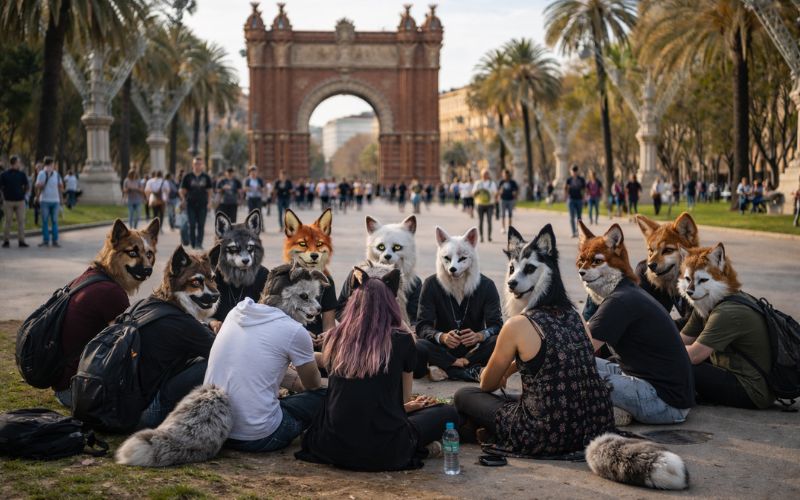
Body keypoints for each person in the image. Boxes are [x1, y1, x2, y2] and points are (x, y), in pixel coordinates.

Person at [298, 271, 459, 470]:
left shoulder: (334, 337)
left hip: (332, 446)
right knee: (447, 412)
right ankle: (422, 448)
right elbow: (404, 401)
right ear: (391, 305)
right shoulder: (401, 340)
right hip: (384, 449)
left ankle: (422, 448)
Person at [454, 278, 614, 457]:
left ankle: (481, 430)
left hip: (545, 433)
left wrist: (503, 371)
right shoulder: (574, 314)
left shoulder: (517, 324)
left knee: (465, 395)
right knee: (511, 399)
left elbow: (487, 385)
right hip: (594, 425)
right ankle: (483, 430)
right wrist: (512, 368)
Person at [204, 293, 325, 452]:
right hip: (258, 437)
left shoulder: (237, 312)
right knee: (325, 396)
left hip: (215, 430)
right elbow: (313, 385)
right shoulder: (294, 330)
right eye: (306, 298)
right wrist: (317, 359)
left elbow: (256, 368)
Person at [179, 157, 213, 249]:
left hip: (203, 204)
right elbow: (182, 190)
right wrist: (183, 199)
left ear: (202, 165)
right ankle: (193, 243)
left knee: (201, 225)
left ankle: (199, 244)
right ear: (193, 165)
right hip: (190, 204)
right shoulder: (188, 176)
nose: (198, 166)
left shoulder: (206, 177)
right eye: (196, 164)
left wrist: (209, 202)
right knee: (192, 224)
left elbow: (209, 191)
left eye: (199, 164)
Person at [1, 155, 30, 248]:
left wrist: (23, 194)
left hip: (20, 201)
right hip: (8, 201)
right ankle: (6, 241)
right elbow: (0, 187)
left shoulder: (22, 174)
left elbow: (27, 185)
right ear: (14, 163)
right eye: (18, 162)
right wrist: (3, 196)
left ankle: (21, 241)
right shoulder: (4, 174)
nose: (20, 164)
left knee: (21, 221)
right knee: (8, 221)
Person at [35, 157, 63, 248]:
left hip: (55, 201)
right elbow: (37, 185)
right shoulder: (42, 173)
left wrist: (60, 186)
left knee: (55, 221)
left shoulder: (56, 174)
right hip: (45, 201)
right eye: (52, 164)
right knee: (45, 221)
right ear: (48, 164)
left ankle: (55, 241)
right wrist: (41, 184)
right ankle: (46, 240)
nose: (53, 165)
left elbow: (61, 187)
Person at [472, 169, 498, 243]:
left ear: (488, 175)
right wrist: (476, 192)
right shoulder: (478, 183)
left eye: (486, 173)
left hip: (489, 204)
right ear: (481, 175)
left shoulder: (492, 183)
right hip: (480, 204)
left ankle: (489, 236)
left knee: (489, 221)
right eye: (484, 174)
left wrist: (495, 198)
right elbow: (473, 193)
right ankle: (481, 236)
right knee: (480, 221)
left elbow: (495, 193)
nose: (485, 175)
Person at [565, 165, 585, 238]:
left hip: (579, 199)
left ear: (577, 171)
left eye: (575, 171)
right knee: (571, 216)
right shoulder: (569, 180)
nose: (574, 172)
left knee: (579, 217)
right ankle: (573, 232)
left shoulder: (581, 179)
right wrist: (566, 197)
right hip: (571, 200)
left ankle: (579, 232)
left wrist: (584, 198)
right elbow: (566, 189)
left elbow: (583, 189)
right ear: (571, 171)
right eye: (573, 171)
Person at [498, 169, 518, 234]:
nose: (505, 176)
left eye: (506, 175)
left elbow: (516, 189)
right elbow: (498, 191)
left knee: (510, 214)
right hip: (503, 199)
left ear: (508, 175)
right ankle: (503, 228)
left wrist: (515, 193)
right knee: (503, 214)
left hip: (510, 200)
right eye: (504, 175)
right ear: (503, 175)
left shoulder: (512, 182)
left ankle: (510, 228)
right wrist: (500, 191)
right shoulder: (501, 182)